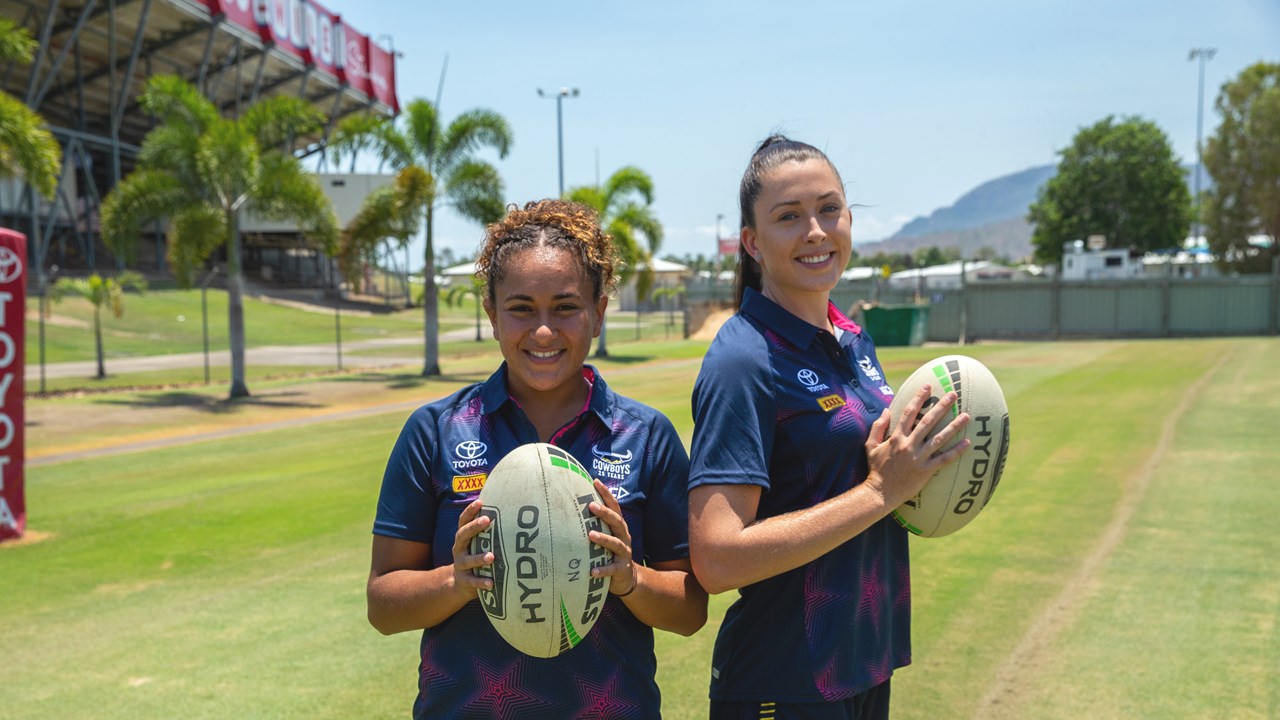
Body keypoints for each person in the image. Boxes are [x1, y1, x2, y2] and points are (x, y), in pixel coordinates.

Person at [368, 198, 707, 720]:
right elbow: (382, 605)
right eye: (521, 308)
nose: (544, 331)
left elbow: (690, 608)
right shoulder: (435, 431)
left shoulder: (646, 435)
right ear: (492, 315)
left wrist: (629, 578)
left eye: (566, 307)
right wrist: (455, 581)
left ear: (598, 313)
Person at [687, 136, 972, 720]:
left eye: (829, 208)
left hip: (864, 662)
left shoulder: (852, 340)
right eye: (788, 217)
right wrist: (878, 492)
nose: (816, 230)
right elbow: (717, 559)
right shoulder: (745, 360)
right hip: (785, 680)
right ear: (752, 242)